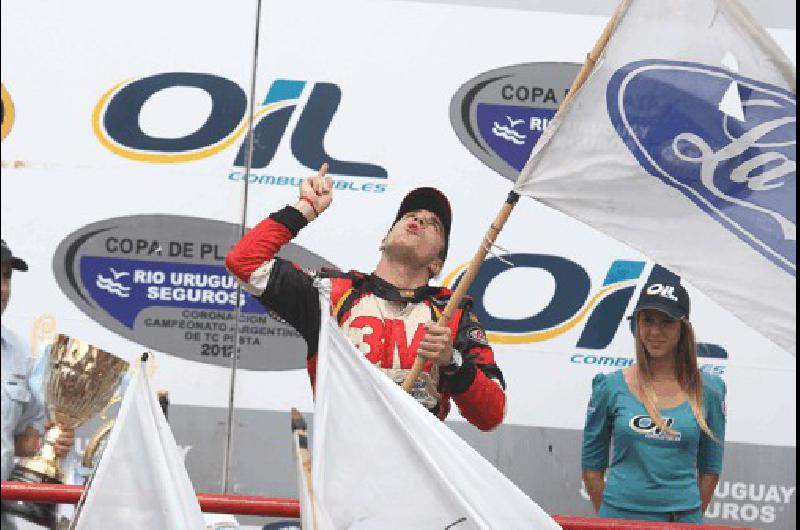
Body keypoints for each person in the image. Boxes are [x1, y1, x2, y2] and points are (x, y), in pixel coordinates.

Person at [226, 167, 506, 431]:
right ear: (384, 239)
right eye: (410, 215)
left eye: (434, 224)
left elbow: (492, 415)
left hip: (415, 470)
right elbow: (244, 262)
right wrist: (305, 208)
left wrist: (452, 362)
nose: (419, 219)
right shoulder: (331, 293)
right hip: (343, 466)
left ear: (436, 263)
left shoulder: (452, 315)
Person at [581, 276, 726, 524]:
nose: (655, 332)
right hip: (619, 519)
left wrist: (685, 520)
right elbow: (592, 468)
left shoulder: (709, 390)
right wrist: (615, 518)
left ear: (683, 328)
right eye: (647, 321)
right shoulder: (609, 386)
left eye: (666, 322)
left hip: (681, 520)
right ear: (637, 324)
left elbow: (710, 469)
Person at [1, 239, 74, 529]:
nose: (3, 288)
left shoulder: (18, 352)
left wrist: (52, 442)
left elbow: (20, 440)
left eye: (6, 276)